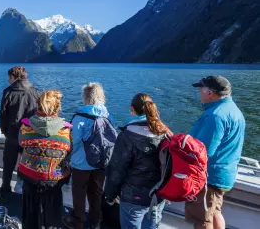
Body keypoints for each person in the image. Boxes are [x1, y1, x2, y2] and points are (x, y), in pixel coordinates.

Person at [104, 93, 172, 229]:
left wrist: (110, 195)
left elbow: (117, 170)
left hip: (133, 196)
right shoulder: (165, 133)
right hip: (158, 194)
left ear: (132, 109)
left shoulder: (127, 136)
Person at [185, 76, 245, 229]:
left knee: (203, 219)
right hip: (224, 173)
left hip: (209, 177)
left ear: (209, 92)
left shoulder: (215, 116)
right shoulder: (234, 111)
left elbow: (202, 151)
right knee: (214, 211)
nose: (199, 92)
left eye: (201, 89)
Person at [18, 90, 72, 229]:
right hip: (54, 179)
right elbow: (69, 151)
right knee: (52, 218)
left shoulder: (25, 126)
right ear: (57, 108)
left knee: (30, 217)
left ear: (38, 106)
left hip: (30, 176)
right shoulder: (67, 130)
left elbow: (21, 143)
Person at [62, 83, 112, 229]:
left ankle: (78, 221)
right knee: (96, 192)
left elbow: (75, 141)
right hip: (100, 163)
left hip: (81, 163)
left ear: (85, 97)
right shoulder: (107, 115)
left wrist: (69, 157)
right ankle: (96, 221)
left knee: (79, 193)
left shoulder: (80, 116)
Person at [0, 65, 40, 202]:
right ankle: (25, 191)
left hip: (12, 134)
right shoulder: (36, 93)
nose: (8, 80)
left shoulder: (8, 93)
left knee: (8, 164)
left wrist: (6, 132)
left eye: (9, 77)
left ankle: (5, 190)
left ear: (15, 77)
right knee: (27, 164)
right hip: (29, 135)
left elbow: (3, 116)